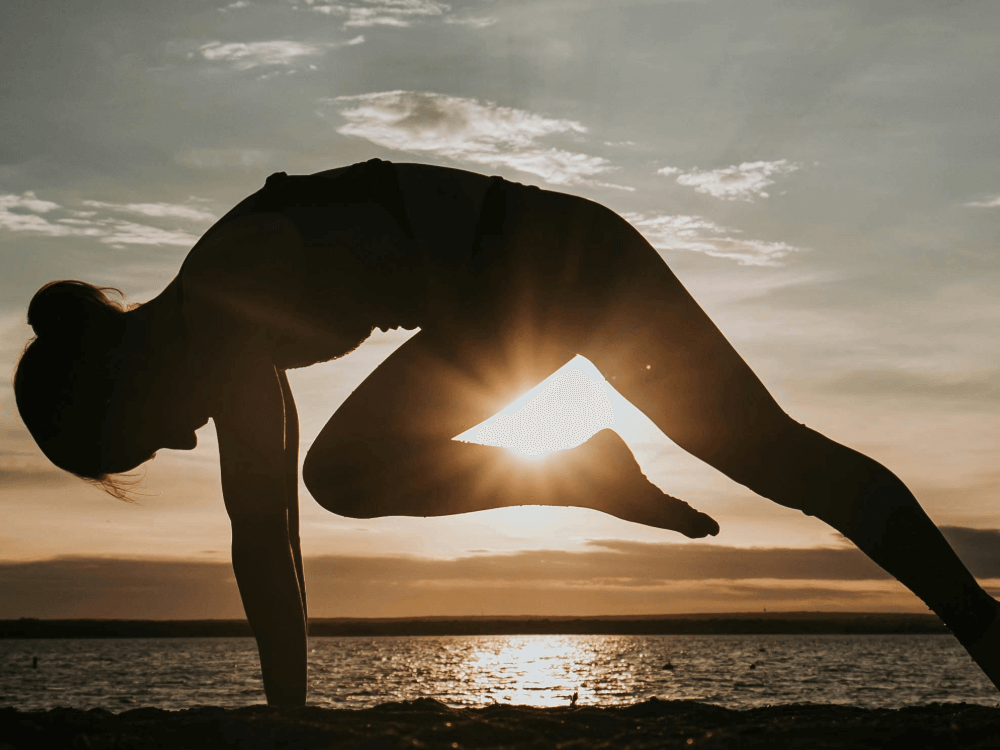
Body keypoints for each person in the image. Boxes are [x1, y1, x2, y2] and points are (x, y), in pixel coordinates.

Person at [14, 158, 1000, 705]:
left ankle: (979, 624)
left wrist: (283, 725)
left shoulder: (222, 304)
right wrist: (290, 717)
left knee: (774, 454)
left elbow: (260, 530)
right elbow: (271, 529)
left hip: (553, 264)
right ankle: (580, 472)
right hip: (540, 278)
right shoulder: (218, 315)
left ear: (116, 388)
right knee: (345, 474)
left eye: (145, 439)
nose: (183, 445)